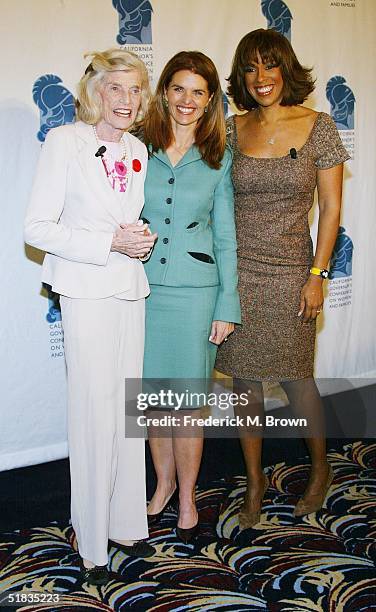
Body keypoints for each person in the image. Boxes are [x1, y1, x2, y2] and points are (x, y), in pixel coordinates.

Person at [24, 48, 157, 585]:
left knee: (127, 410)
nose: (126, 101)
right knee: (92, 413)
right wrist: (110, 243)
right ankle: (90, 534)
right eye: (116, 89)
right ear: (96, 93)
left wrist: (138, 240)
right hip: (86, 290)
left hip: (129, 289)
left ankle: (125, 523)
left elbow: (125, 220)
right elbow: (37, 227)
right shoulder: (64, 143)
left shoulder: (140, 150)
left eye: (135, 90)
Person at [216, 29, 350, 530]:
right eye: (249, 68)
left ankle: (320, 469)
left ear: (285, 68)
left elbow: (332, 209)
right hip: (236, 273)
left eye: (269, 66)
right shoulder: (230, 129)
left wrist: (317, 274)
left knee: (298, 381)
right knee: (244, 384)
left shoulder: (319, 126)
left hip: (294, 271)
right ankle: (254, 482)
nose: (260, 77)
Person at [141, 51, 241, 543]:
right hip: (140, 291)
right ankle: (160, 487)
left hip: (196, 294)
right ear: (164, 92)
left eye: (198, 92)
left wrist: (228, 304)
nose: (187, 100)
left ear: (209, 101)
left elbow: (226, 237)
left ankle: (187, 498)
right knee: (155, 403)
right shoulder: (138, 149)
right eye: (178, 88)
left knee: (187, 407)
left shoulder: (218, 157)